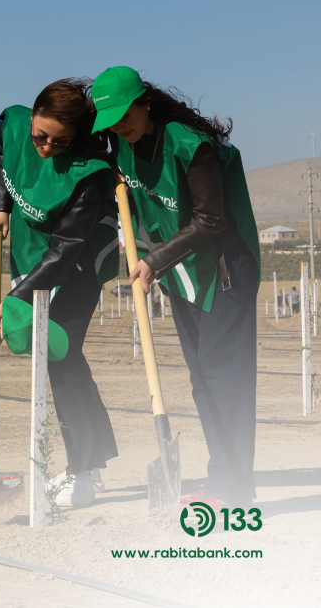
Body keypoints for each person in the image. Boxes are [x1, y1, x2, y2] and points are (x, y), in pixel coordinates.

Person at [92, 65, 261, 508]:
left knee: (227, 379)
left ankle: (236, 489)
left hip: (225, 271)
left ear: (145, 102)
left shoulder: (191, 146)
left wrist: (153, 259)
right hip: (184, 273)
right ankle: (222, 477)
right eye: (109, 121)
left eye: (124, 114)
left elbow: (211, 220)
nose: (119, 126)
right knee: (203, 379)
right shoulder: (122, 146)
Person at [0, 79, 120, 509]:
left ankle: (83, 471)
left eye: (60, 142)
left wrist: (16, 299)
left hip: (79, 261)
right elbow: (6, 159)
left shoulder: (89, 174)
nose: (45, 147)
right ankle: (93, 461)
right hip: (37, 253)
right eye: (40, 136)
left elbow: (66, 248)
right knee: (63, 360)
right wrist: (3, 206)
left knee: (58, 354)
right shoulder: (15, 122)